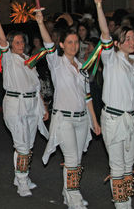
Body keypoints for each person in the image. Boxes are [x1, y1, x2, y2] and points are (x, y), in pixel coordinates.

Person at [94, 0, 134, 209]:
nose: (132, 41)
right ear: (118, 44)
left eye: (133, 38)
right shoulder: (111, 59)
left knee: (129, 167)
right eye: (127, 39)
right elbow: (104, 32)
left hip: (130, 121)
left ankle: (125, 203)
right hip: (112, 119)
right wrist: (99, 6)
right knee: (118, 167)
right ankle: (122, 206)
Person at [39, 10, 101, 208]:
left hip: (82, 120)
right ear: (62, 45)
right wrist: (41, 23)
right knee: (72, 159)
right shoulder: (56, 63)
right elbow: (48, 44)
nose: (74, 46)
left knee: (77, 160)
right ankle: (74, 197)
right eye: (70, 42)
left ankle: (68, 192)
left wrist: (94, 121)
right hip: (63, 119)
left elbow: (87, 96)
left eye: (76, 42)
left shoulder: (82, 67)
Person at [0, 4, 49, 197]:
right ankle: (22, 182)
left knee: (28, 145)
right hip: (15, 104)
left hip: (32, 104)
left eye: (22, 42)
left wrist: (42, 106)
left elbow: (36, 85)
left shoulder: (28, 59)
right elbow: (1, 38)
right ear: (10, 44)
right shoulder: (8, 58)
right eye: (16, 42)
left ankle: (20, 175)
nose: (21, 45)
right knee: (22, 146)